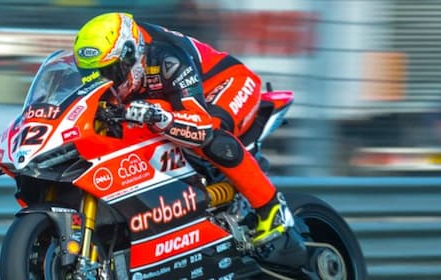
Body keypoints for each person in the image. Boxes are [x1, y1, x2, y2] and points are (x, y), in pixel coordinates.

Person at [72, 12, 306, 265]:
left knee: (211, 135)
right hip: (167, 101)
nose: (104, 82)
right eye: (94, 75)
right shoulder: (120, 67)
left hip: (225, 84)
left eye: (110, 72)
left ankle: (271, 209)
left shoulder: (167, 57)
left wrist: (159, 117)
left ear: (131, 56)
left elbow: (200, 125)